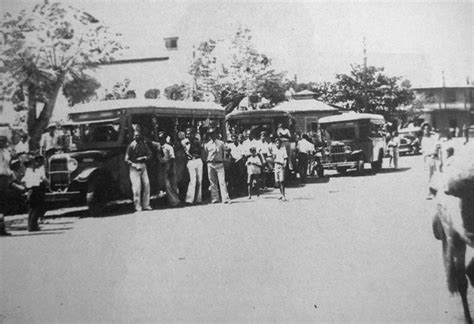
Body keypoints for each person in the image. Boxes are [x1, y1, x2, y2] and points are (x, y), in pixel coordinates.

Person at [125, 130, 152, 212]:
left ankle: (146, 205)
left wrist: (145, 158)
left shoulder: (143, 144)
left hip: (143, 165)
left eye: (138, 135)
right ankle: (137, 206)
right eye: (136, 135)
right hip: (134, 167)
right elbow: (126, 159)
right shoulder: (131, 146)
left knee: (147, 185)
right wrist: (134, 165)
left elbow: (150, 153)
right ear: (133, 136)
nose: (137, 137)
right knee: (137, 188)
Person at [204, 128, 230, 204]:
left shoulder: (221, 143)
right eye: (210, 134)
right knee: (212, 182)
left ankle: (225, 198)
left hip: (219, 164)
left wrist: (225, 161)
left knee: (222, 181)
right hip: (211, 164)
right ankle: (215, 198)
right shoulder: (207, 145)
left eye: (213, 134)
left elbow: (224, 153)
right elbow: (206, 154)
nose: (212, 136)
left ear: (216, 134)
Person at [23, 155, 49, 231]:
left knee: (34, 208)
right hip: (34, 190)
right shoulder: (30, 171)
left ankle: (33, 225)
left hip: (35, 189)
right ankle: (32, 225)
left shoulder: (33, 170)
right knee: (35, 208)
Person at [157, 131, 180, 207]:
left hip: (170, 165)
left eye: (162, 138)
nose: (161, 140)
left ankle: (175, 201)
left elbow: (172, 158)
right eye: (160, 138)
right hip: (163, 166)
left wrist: (170, 168)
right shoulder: (158, 147)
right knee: (167, 185)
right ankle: (173, 201)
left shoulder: (169, 147)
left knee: (173, 184)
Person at [421, 123, 440, 199]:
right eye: (425, 129)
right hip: (427, 158)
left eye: (427, 129)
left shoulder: (433, 137)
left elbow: (437, 145)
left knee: (435, 175)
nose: (426, 130)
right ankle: (429, 192)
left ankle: (434, 192)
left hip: (433, 157)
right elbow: (424, 150)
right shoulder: (423, 139)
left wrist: (434, 153)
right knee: (428, 175)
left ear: (429, 129)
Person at [184, 129, 204, 205]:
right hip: (191, 161)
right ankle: (189, 200)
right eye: (187, 134)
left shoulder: (197, 142)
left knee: (199, 180)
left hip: (198, 160)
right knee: (193, 180)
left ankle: (198, 199)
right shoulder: (185, 142)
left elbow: (201, 151)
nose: (189, 135)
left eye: (190, 133)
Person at [0, 135, 13, 236]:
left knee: (3, 203)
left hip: (5, 177)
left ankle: (2, 228)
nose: (2, 143)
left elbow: (8, 164)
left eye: (4, 141)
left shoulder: (6, 152)